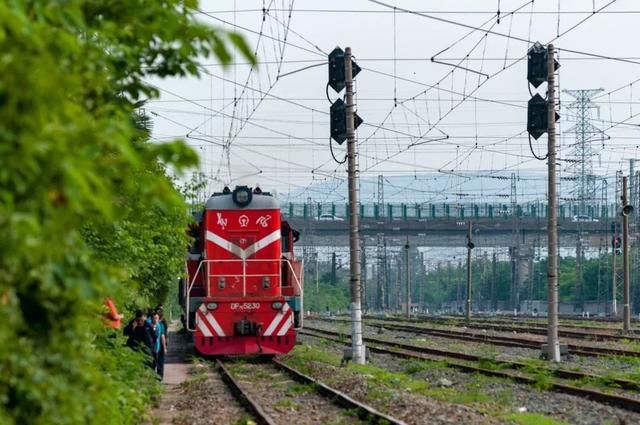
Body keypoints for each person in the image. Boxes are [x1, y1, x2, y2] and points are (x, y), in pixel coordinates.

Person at [151, 311, 167, 380]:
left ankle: (159, 378)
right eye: (154, 318)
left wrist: (164, 347)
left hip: (159, 347)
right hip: (152, 347)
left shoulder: (161, 326)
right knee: (152, 363)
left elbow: (162, 336)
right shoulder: (149, 325)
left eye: (156, 318)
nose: (155, 320)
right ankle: (151, 377)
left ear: (158, 319)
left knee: (160, 363)